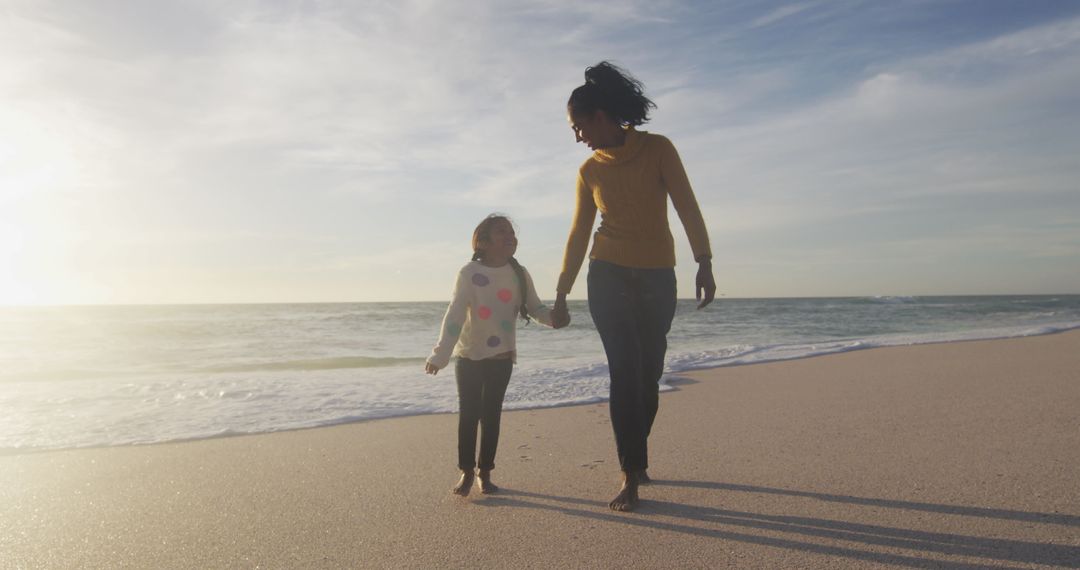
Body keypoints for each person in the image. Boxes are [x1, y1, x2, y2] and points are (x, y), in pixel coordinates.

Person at [551, 61, 716, 512]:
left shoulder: (658, 150)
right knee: (625, 370)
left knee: (649, 372)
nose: (577, 135)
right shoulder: (589, 172)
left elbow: (686, 205)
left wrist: (704, 260)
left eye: (578, 125)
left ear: (601, 116)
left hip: (657, 275)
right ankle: (630, 472)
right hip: (606, 274)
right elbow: (578, 234)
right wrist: (563, 291)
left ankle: (635, 452)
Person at [426, 214, 555, 496]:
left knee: (491, 415)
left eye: (512, 232)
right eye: (501, 232)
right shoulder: (469, 273)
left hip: (502, 357)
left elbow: (534, 308)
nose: (510, 236)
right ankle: (466, 472)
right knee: (469, 415)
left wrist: (554, 318)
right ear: (482, 242)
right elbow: (455, 315)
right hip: (469, 356)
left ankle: (485, 472)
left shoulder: (519, 273)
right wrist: (440, 355)